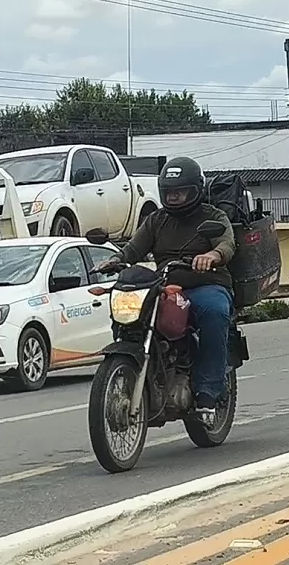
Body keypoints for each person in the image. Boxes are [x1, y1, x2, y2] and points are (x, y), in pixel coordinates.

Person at [95, 156, 236, 426]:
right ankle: (139, 374)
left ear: (195, 189)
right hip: (166, 286)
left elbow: (227, 244)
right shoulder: (156, 220)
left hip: (206, 284)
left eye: (180, 192)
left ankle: (207, 392)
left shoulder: (212, 216)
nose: (173, 198)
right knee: (131, 314)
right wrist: (117, 260)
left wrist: (213, 255)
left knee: (215, 312)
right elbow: (134, 248)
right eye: (169, 193)